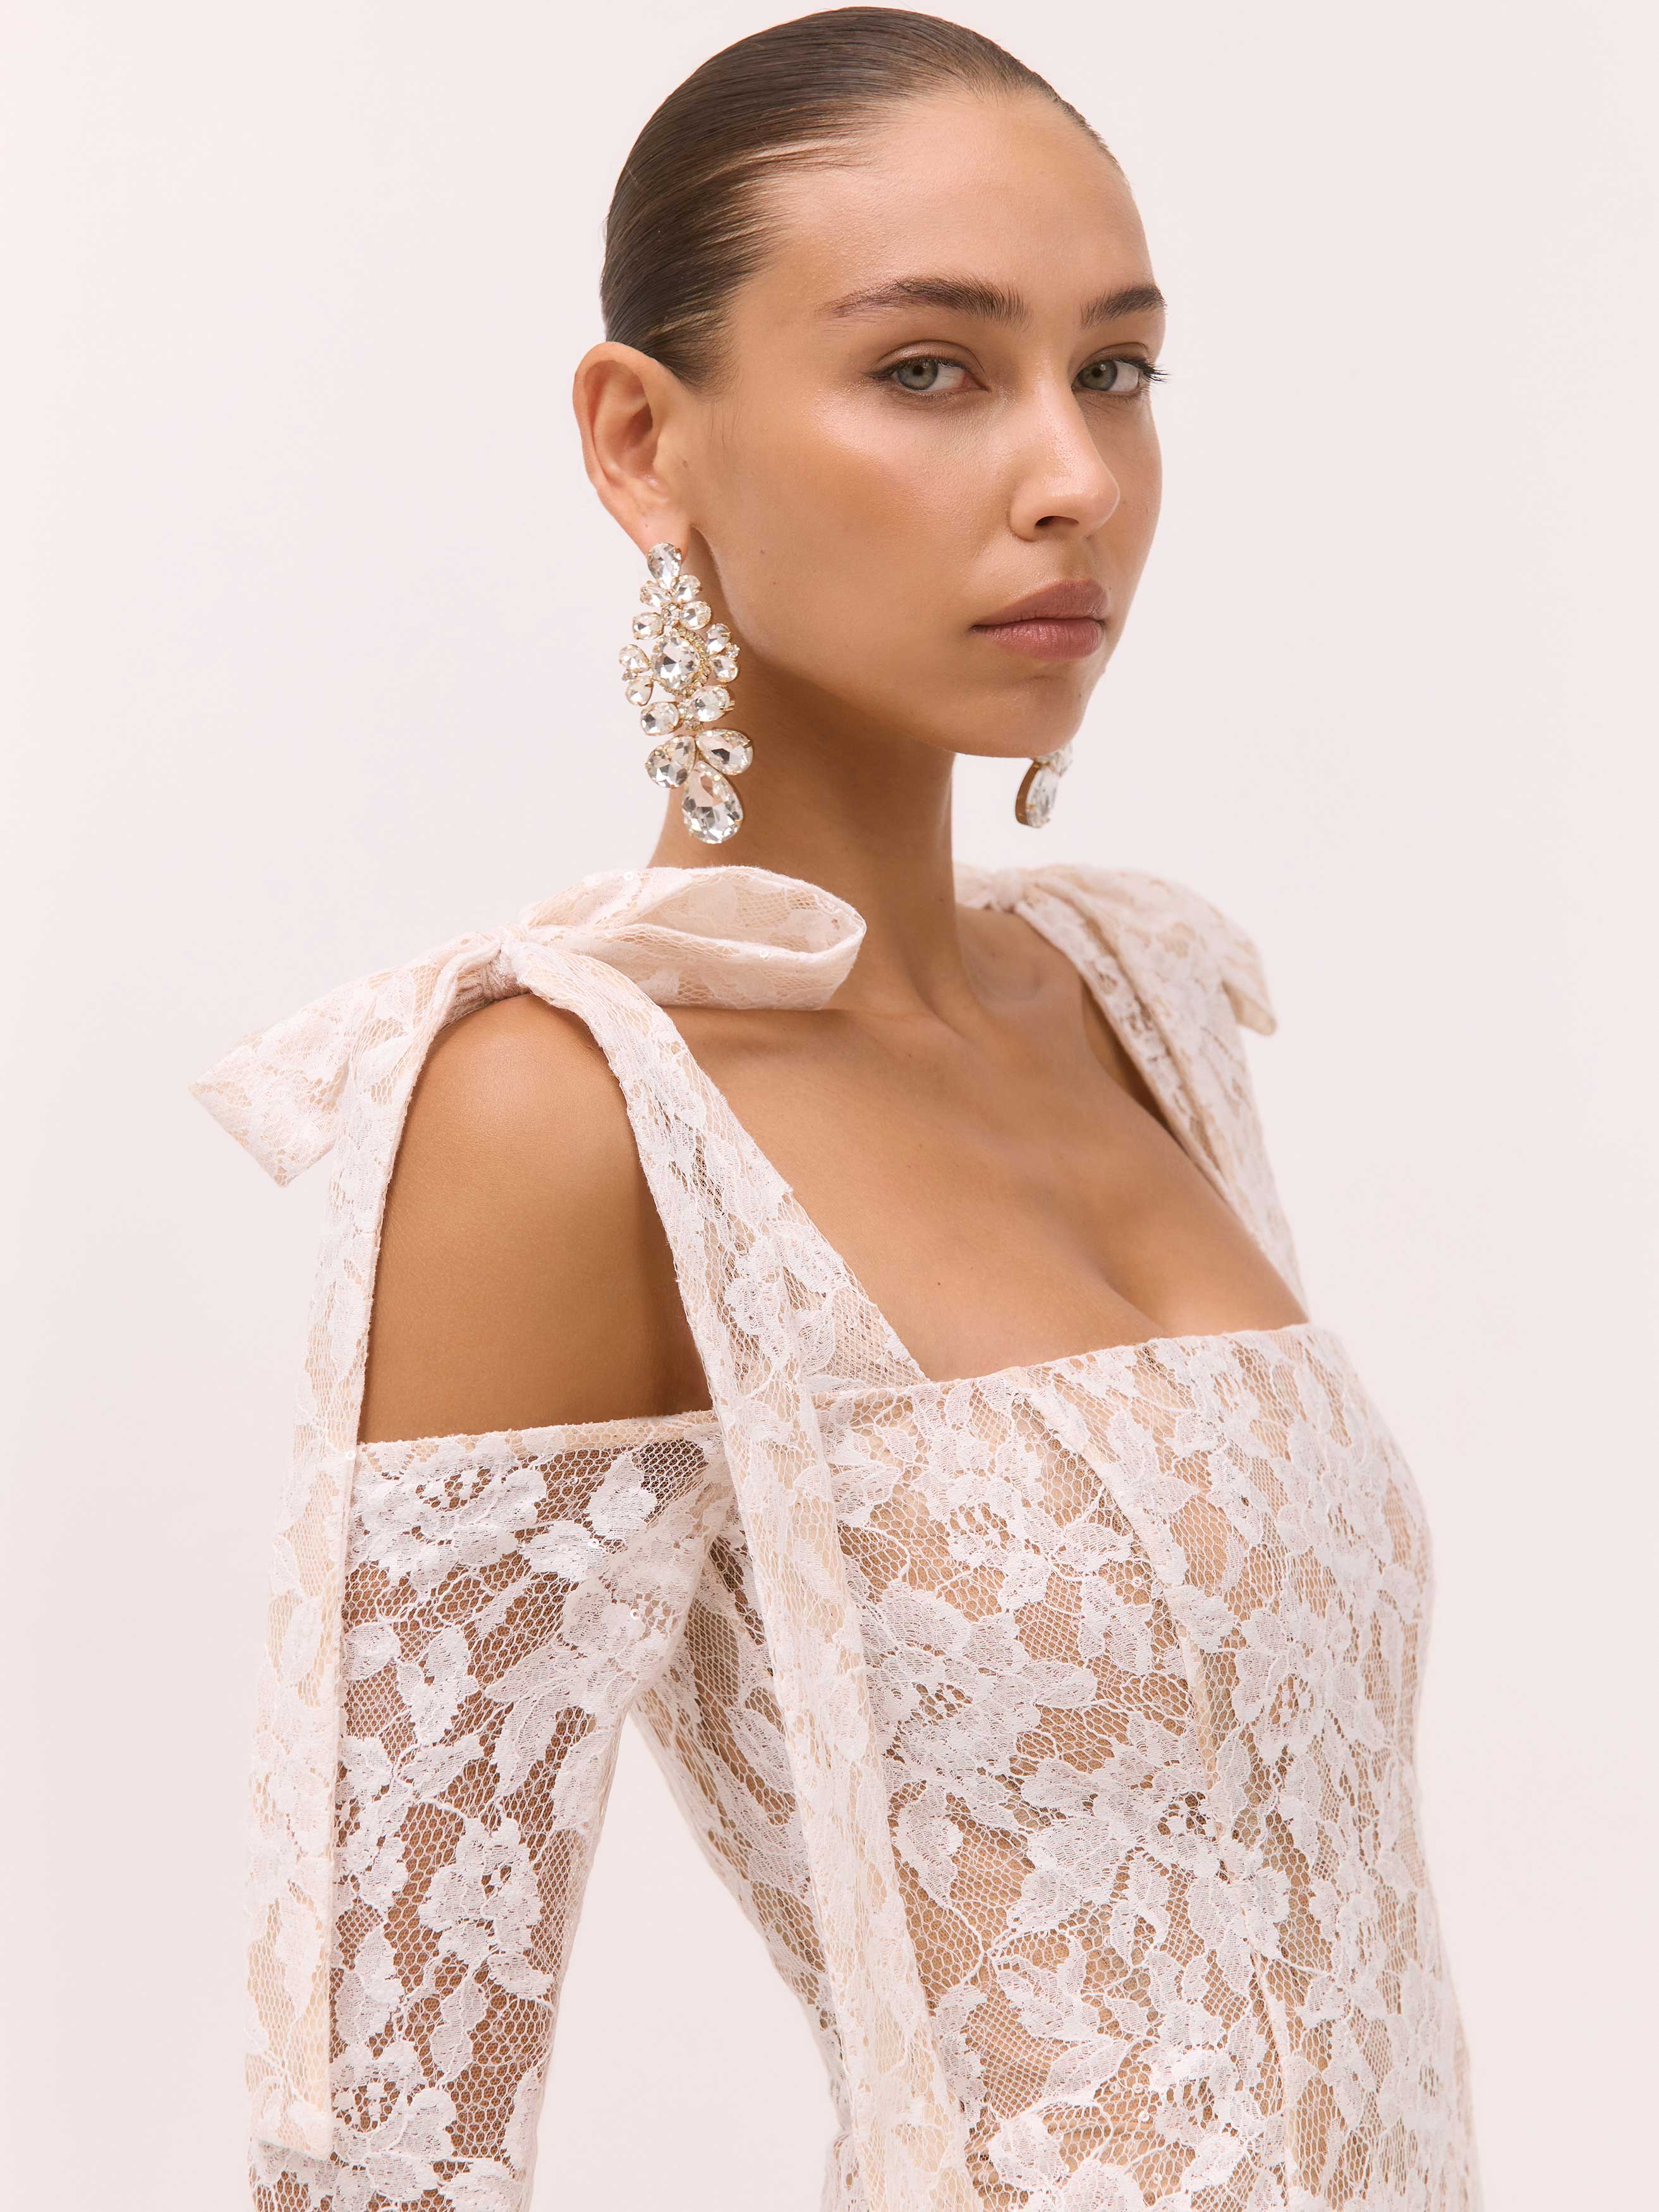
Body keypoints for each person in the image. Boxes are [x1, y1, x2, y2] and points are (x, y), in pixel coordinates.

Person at [193, 10, 1481, 2208]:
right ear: (640, 443)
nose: (1070, 471)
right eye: (930, 371)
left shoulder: (1134, 1002)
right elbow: (375, 2139)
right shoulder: (567, 1105)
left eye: (1118, 368)